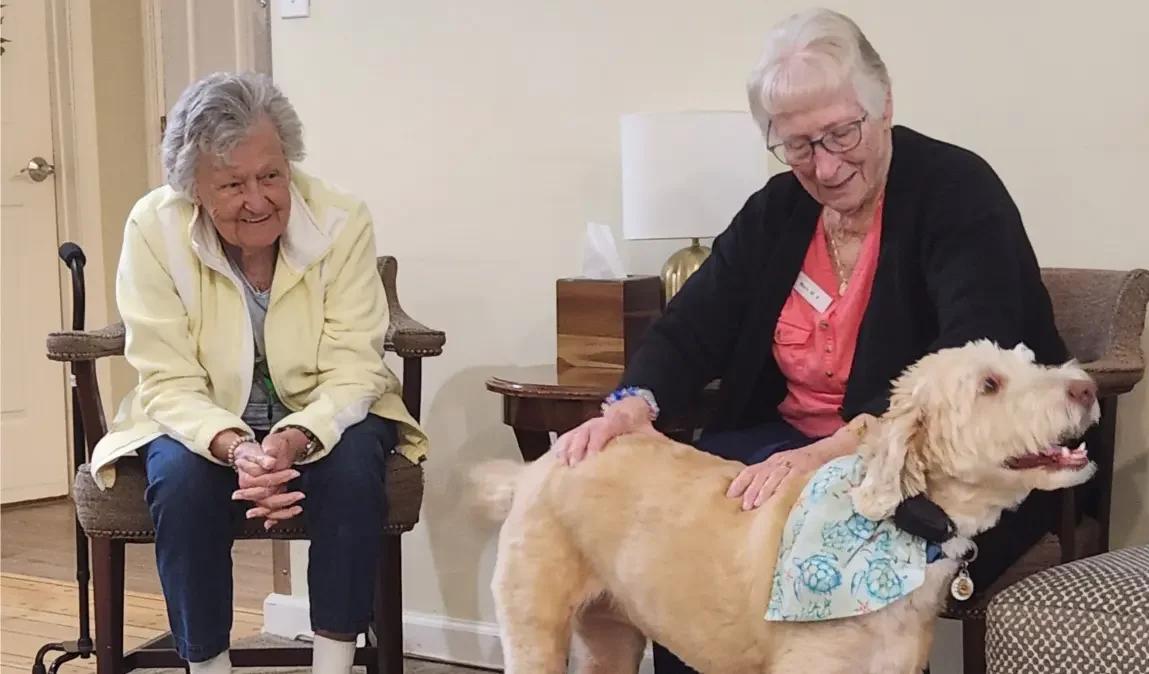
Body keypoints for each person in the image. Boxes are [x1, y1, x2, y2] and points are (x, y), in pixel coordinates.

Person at [554, 8, 1070, 673]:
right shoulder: (777, 210)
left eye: (840, 133)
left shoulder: (956, 192)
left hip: (931, 461)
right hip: (785, 442)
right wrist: (633, 402)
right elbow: (694, 321)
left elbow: (972, 364)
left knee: (796, 539)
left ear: (884, 108)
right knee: (686, 540)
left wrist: (832, 454)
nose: (824, 167)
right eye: (797, 145)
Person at [88, 72, 427, 674]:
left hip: (329, 413)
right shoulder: (152, 227)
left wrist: (296, 437)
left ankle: (333, 665)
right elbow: (165, 377)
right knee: (183, 483)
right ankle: (208, 668)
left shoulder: (342, 217)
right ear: (192, 187)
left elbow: (356, 363)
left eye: (271, 176)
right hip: (200, 420)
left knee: (353, 469)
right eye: (232, 183)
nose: (259, 198)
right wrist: (235, 445)